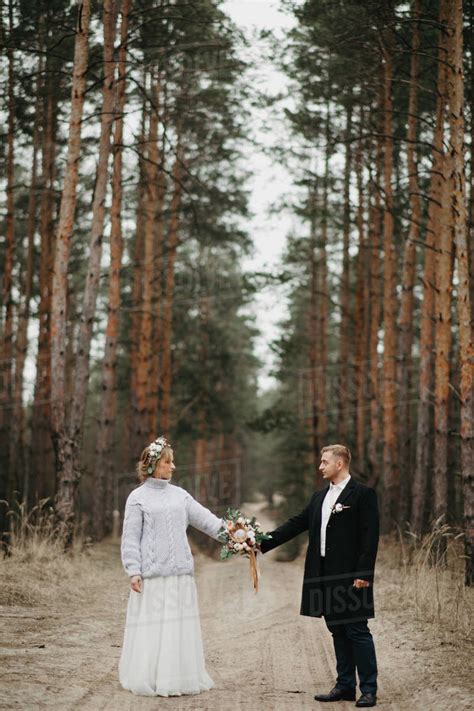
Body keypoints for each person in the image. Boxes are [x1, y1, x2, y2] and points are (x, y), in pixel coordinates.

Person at [260, 444, 379, 708]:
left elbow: (370, 538)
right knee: (336, 628)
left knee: (357, 629)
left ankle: (368, 689)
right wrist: (262, 543)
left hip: (351, 574)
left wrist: (363, 574)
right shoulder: (319, 497)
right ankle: (345, 685)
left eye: (325, 462)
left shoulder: (363, 494)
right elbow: (296, 524)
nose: (320, 466)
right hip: (322, 572)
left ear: (340, 464)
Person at [118, 435, 225, 697]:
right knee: (153, 629)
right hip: (153, 577)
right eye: (168, 462)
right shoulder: (137, 497)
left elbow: (209, 522)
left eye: (173, 462)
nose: (172, 467)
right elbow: (130, 538)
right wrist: (134, 570)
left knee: (178, 628)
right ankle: (150, 677)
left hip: (180, 575)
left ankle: (179, 678)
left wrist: (238, 536)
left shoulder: (181, 496)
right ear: (153, 464)